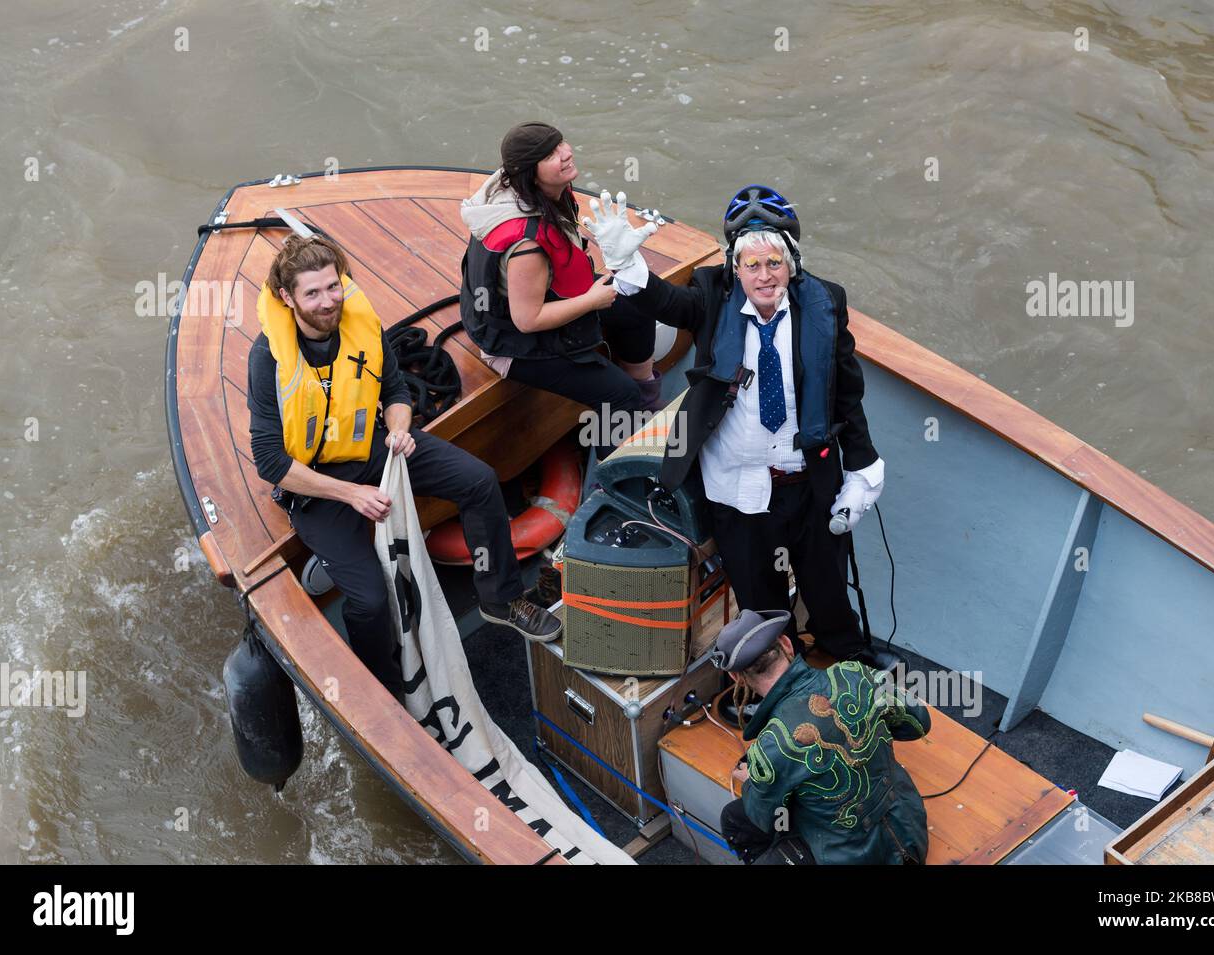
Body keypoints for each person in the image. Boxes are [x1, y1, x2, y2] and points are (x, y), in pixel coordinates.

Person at [246, 235, 562, 699]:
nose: (328, 301)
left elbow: (394, 391)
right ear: (286, 297)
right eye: (312, 293)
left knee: (478, 481)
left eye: (333, 286)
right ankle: (387, 691)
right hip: (315, 485)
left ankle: (500, 598)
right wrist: (352, 495)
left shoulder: (360, 323)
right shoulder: (267, 356)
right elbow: (270, 461)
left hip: (375, 450)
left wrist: (399, 427)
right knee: (369, 600)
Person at [589, 184, 887, 662]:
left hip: (810, 481)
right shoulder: (710, 294)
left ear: (792, 263)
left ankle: (848, 654)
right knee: (759, 598)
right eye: (752, 265)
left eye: (774, 263)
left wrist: (863, 467)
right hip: (738, 487)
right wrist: (627, 267)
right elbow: (668, 303)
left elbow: (846, 394)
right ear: (736, 267)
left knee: (828, 585)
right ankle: (777, 674)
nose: (765, 276)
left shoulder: (827, 303)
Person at [459, 122, 664, 460]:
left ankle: (647, 403)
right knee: (618, 395)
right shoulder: (527, 244)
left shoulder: (540, 192)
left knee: (638, 306)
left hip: (546, 298)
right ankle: (616, 474)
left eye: (560, 144)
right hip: (512, 342)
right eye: (550, 154)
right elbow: (527, 319)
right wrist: (591, 301)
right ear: (530, 172)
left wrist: (612, 248)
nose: (565, 152)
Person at [710, 609, 931, 865]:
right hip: (909, 833)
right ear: (786, 644)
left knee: (737, 820)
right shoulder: (855, 674)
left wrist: (754, 779)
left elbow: (763, 818)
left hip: (851, 859)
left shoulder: (773, 746)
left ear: (736, 676)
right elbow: (918, 724)